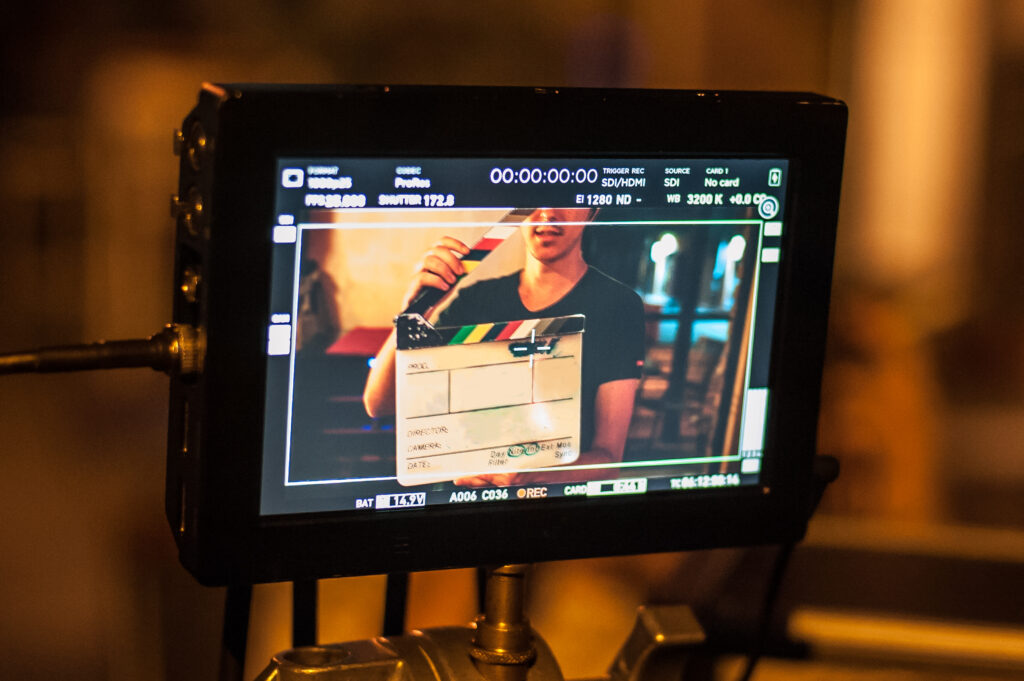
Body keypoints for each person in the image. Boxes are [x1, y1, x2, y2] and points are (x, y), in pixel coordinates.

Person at [363, 207, 645, 486]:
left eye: (566, 199)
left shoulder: (619, 306)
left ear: (592, 210)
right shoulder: (474, 300)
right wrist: (411, 314)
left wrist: (530, 475)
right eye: (535, 197)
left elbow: (608, 459)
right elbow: (379, 404)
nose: (548, 212)